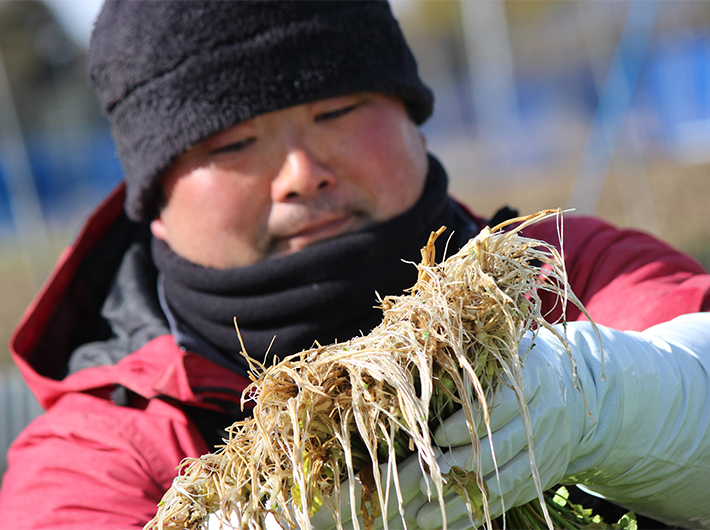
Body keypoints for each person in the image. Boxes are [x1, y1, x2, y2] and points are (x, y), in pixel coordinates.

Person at [0, 1, 709, 529]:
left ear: (412, 116)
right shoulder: (102, 445)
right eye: (232, 145)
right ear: (153, 200)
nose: (302, 174)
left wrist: (616, 406)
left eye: (338, 110)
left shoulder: (562, 273)